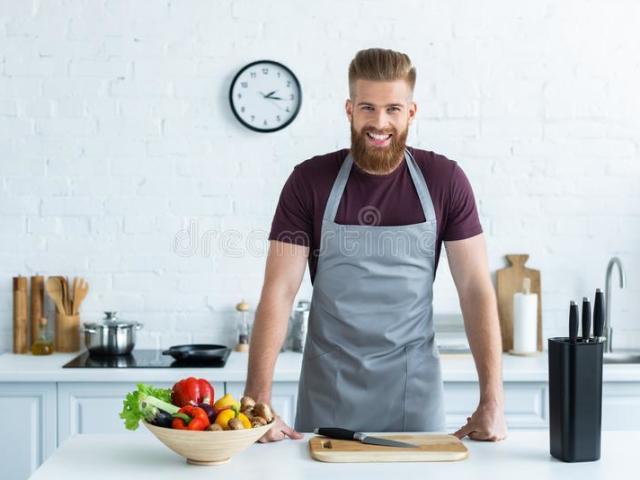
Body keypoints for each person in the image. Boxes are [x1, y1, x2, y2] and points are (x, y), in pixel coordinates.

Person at [245, 48, 507, 443]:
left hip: (414, 393)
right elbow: (279, 291)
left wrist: (493, 402)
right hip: (327, 392)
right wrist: (257, 398)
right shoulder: (308, 182)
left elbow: (474, 290)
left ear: (411, 113)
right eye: (368, 108)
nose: (380, 123)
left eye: (393, 109)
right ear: (349, 110)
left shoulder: (445, 180)